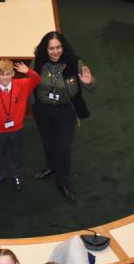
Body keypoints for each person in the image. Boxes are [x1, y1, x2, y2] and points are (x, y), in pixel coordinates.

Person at [32, 31, 95, 202]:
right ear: (45, 49)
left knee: (64, 146)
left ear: (63, 46)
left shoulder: (74, 62)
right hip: (43, 110)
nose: (55, 51)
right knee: (48, 140)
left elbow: (91, 84)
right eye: (51, 48)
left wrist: (89, 82)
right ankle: (51, 166)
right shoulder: (38, 62)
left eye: (58, 47)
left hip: (65, 110)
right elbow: (30, 80)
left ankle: (63, 181)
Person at [0, 59, 40, 191]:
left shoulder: (22, 85)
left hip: (17, 129)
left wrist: (28, 71)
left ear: (13, 74)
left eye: (8, 74)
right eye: (2, 74)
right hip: (0, 131)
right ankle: (1, 174)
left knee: (16, 153)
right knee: (0, 153)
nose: (5, 77)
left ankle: (16, 174)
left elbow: (37, 79)